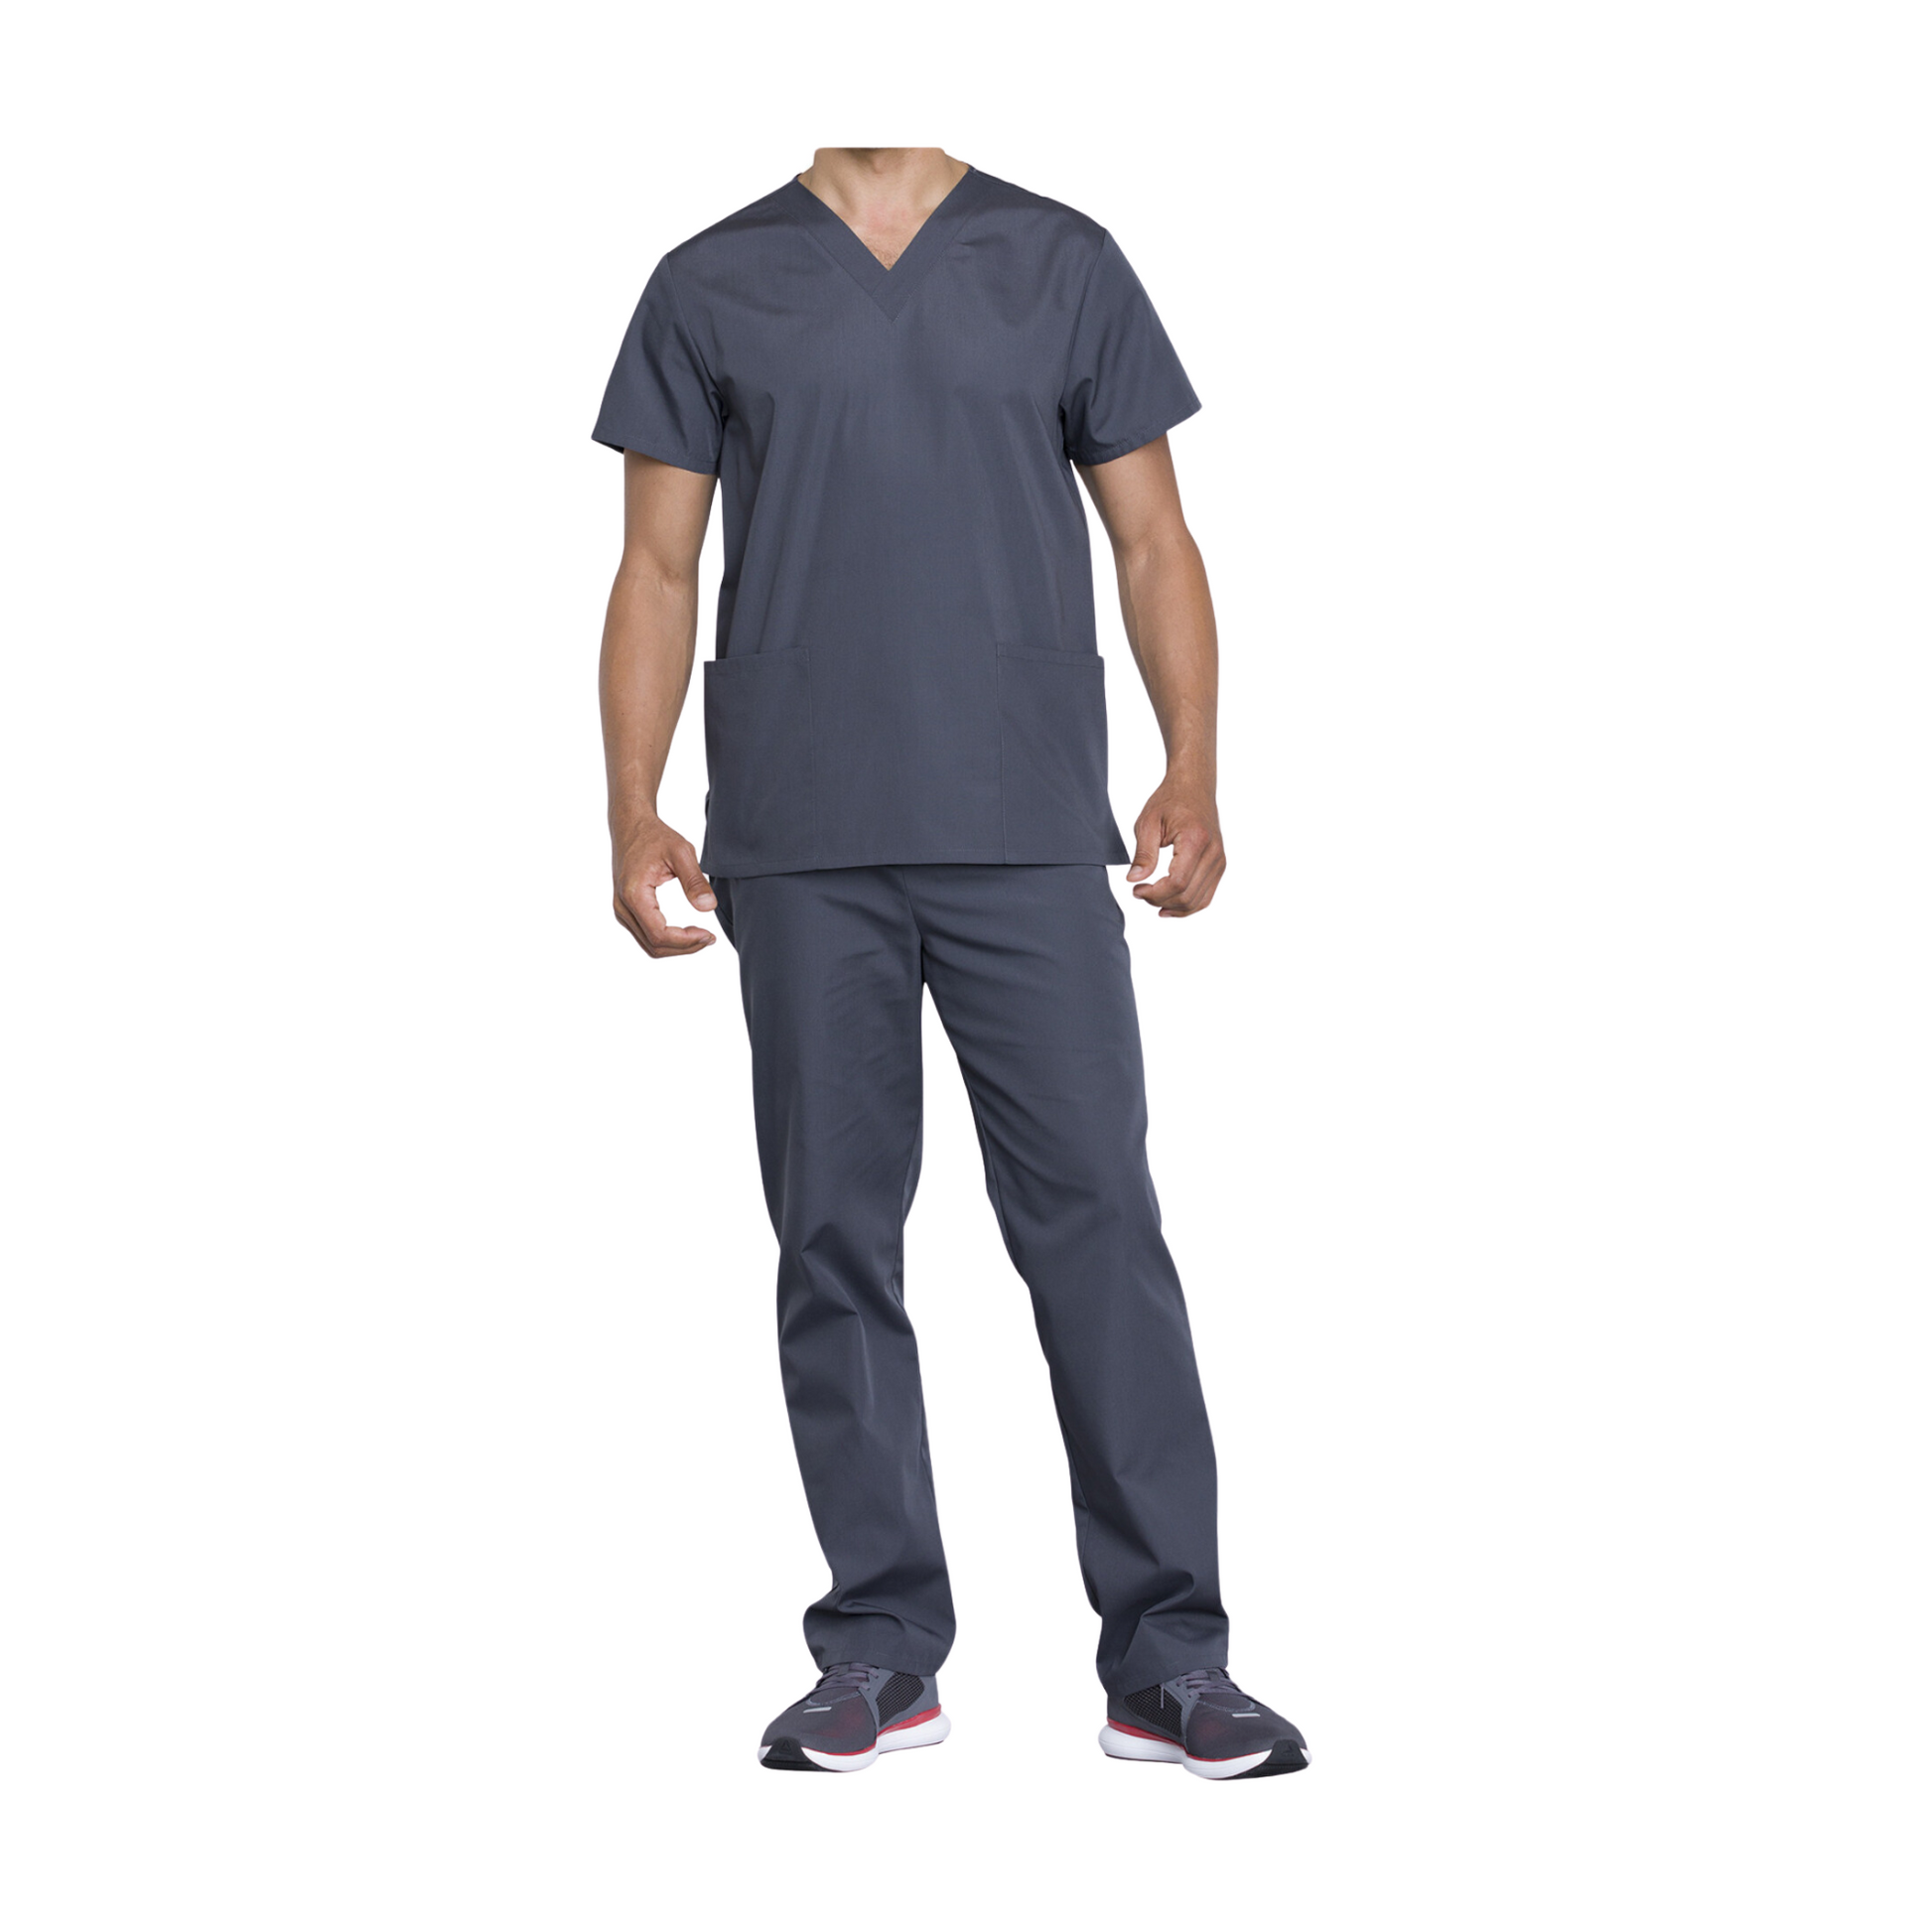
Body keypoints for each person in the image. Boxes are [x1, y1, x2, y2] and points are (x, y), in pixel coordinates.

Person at [593, 148, 1307, 1781]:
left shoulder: (1062, 260)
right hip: (798, 828)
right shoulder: (709, 281)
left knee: (1098, 1226)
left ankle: (1170, 1660)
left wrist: (1193, 764)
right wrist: (632, 807)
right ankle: (878, 1647)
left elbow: (1152, 537)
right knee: (833, 1238)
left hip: (1022, 819)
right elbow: (654, 566)